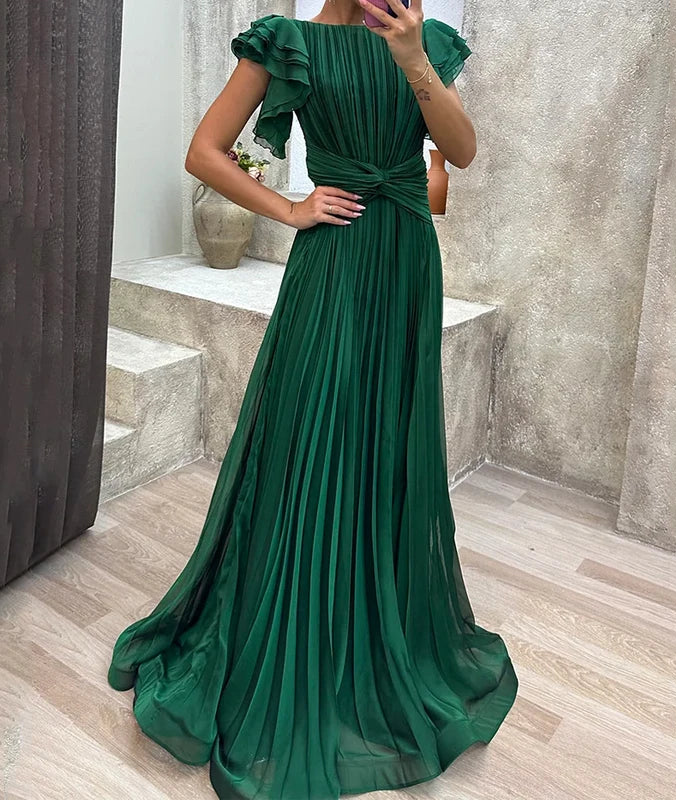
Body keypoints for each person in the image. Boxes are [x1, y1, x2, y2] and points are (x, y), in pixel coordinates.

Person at [106, 1, 518, 798]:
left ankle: (378, 612)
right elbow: (205, 151)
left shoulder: (425, 41)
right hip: (333, 262)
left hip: (406, 262)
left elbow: (462, 154)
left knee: (387, 438)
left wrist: (412, 57)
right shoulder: (286, 41)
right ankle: (300, 617)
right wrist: (290, 209)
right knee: (312, 434)